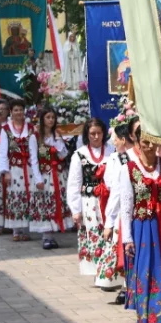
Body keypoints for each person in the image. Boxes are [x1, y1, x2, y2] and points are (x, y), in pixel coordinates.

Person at [116, 118, 161, 323]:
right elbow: (126, 205)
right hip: (143, 228)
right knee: (148, 273)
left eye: (153, 142)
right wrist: (128, 239)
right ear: (138, 142)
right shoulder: (128, 169)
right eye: (145, 142)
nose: (150, 146)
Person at [67, 118, 118, 286]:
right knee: (94, 235)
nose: (96, 137)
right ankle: (98, 271)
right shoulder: (80, 154)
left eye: (99, 133)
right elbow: (74, 183)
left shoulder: (112, 151)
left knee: (109, 233)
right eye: (92, 134)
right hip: (89, 203)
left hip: (108, 199)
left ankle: (109, 272)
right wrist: (75, 210)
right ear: (87, 135)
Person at [31, 106, 73, 247]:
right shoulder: (35, 136)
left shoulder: (56, 135)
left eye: (53, 117)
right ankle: (46, 236)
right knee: (46, 203)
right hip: (45, 174)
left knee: (57, 203)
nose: (50, 120)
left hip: (59, 174)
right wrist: (38, 178)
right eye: (48, 117)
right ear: (42, 119)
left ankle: (53, 233)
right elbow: (34, 159)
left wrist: (58, 141)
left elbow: (63, 154)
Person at [103, 123, 134, 307]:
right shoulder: (118, 158)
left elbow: (113, 188)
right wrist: (110, 219)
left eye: (115, 137)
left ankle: (128, 288)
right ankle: (125, 286)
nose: (113, 141)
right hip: (124, 211)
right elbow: (114, 188)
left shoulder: (128, 158)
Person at [0, 99, 38, 241]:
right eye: (15, 110)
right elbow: (3, 153)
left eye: (20, 110)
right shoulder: (6, 130)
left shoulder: (31, 128)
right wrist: (6, 171)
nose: (18, 112)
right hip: (14, 168)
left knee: (29, 197)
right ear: (11, 112)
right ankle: (16, 229)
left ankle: (26, 229)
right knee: (15, 196)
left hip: (29, 168)